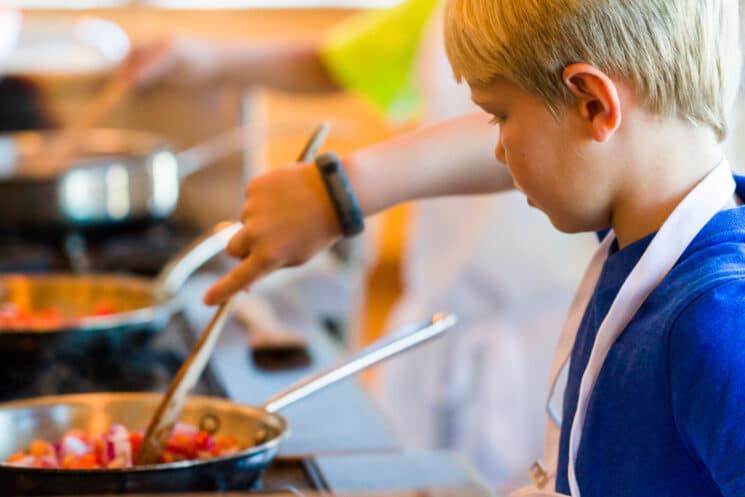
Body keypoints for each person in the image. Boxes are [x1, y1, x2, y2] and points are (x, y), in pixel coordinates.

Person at [206, 0, 745, 495]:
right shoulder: (644, 241)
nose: (496, 148)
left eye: (501, 116)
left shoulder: (716, 324)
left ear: (594, 106)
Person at [134, 2, 597, 491]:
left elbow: (557, 126)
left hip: (543, 339)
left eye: (498, 115)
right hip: (445, 317)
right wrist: (209, 58)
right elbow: (340, 60)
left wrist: (341, 192)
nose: (501, 135)